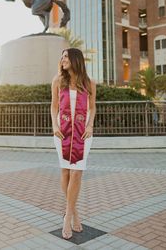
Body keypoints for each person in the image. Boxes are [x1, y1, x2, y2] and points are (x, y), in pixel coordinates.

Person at [51, 48, 96, 240]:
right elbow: (53, 106)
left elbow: (92, 107)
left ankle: (68, 215)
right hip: (62, 132)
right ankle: (75, 213)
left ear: (76, 59)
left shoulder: (89, 82)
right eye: (61, 56)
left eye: (66, 56)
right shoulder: (58, 81)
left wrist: (90, 125)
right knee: (65, 172)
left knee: (77, 172)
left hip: (82, 133)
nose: (62, 59)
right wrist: (54, 125)